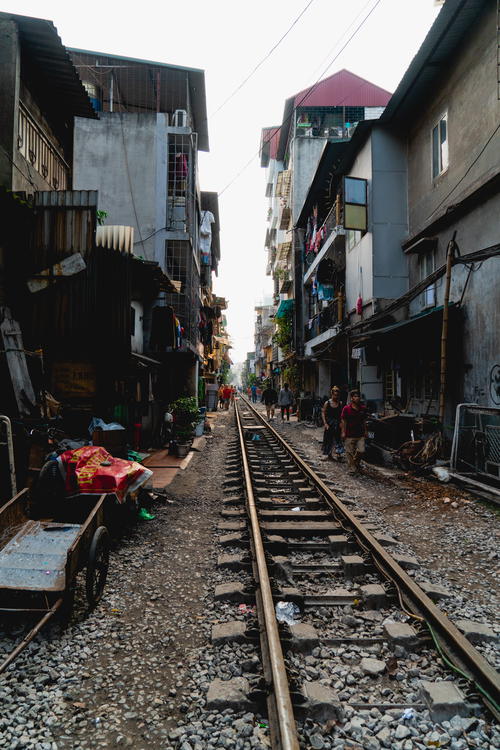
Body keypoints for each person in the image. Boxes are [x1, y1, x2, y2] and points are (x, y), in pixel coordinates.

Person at [340, 390, 368, 475]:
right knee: (349, 452)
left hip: (360, 434)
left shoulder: (363, 408)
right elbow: (343, 421)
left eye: (358, 396)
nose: (357, 398)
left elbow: (364, 421)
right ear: (352, 398)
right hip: (349, 434)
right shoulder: (346, 409)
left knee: (361, 450)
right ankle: (352, 469)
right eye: (355, 396)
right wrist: (343, 432)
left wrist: (366, 431)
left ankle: (355, 464)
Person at [321, 386, 344, 460]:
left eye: (337, 395)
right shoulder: (327, 403)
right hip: (329, 423)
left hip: (337, 423)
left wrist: (341, 423)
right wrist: (325, 423)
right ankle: (328, 454)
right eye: (334, 395)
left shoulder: (340, 403)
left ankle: (339, 454)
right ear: (332, 394)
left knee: (338, 439)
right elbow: (323, 413)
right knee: (328, 439)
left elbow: (341, 414)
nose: (336, 396)